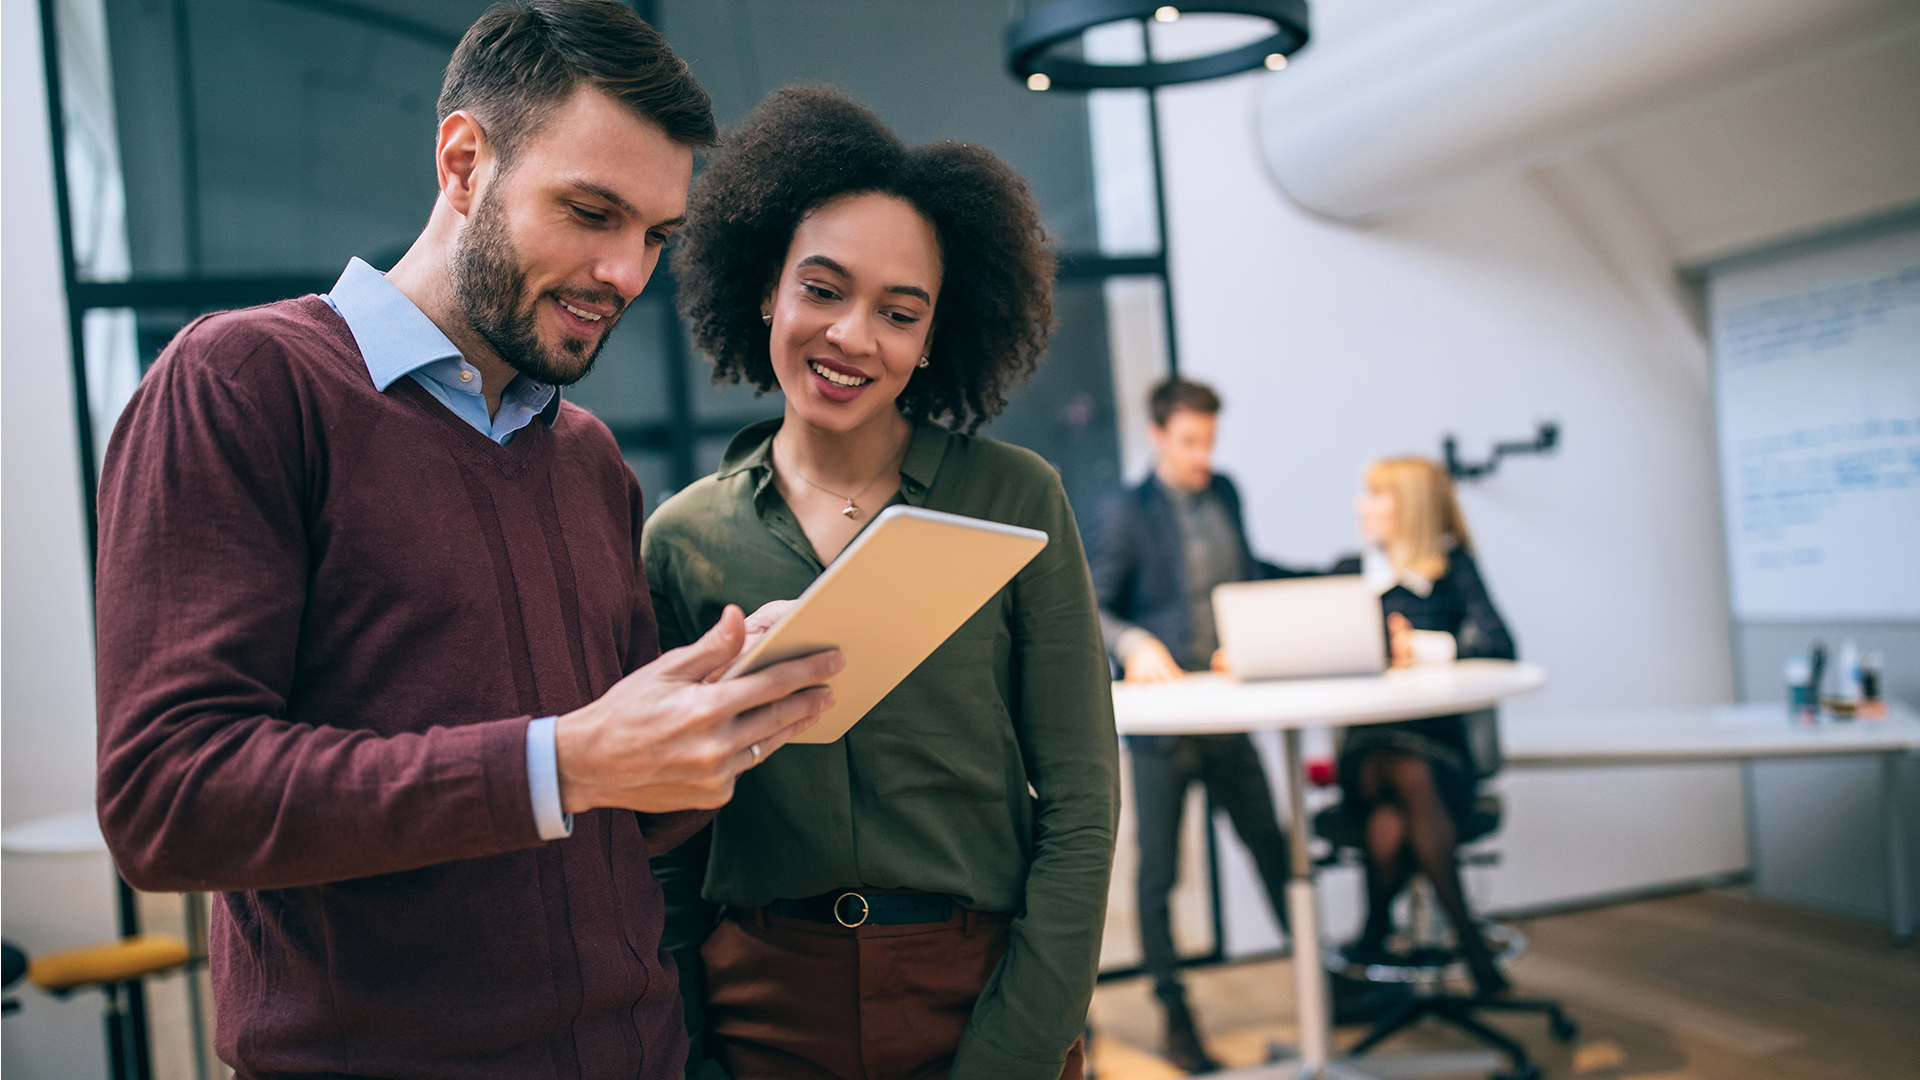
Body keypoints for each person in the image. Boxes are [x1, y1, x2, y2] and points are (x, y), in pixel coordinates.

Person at [92, 5, 843, 1077]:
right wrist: (561, 762)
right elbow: (168, 798)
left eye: (654, 237)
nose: (627, 274)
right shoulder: (244, 385)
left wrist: (714, 722)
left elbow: (609, 814)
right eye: (592, 212)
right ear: (461, 162)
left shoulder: (587, 460)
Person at [646, 87, 1117, 1080]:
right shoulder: (681, 543)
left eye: (899, 313)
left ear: (935, 336)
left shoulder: (1015, 497)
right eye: (822, 290)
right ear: (766, 288)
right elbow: (666, 846)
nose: (854, 337)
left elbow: (1080, 801)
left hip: (984, 995)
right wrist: (693, 1050)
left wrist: (1018, 1046)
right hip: (762, 1010)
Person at [1087, 377, 1296, 1075]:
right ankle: (1175, 1012)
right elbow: (1094, 605)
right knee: (1159, 877)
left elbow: (1248, 572)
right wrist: (1135, 644)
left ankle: (1321, 982)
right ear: (1158, 436)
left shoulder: (1226, 494)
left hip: (1226, 712)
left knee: (1272, 846)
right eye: (1190, 441)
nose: (1204, 455)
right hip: (1164, 726)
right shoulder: (1125, 512)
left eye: (1210, 440)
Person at [1332, 456, 1516, 998]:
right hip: (1367, 754)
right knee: (1403, 773)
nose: (1360, 506)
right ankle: (1470, 942)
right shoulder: (1351, 573)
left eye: (1374, 495)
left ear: (1406, 507)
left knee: (1394, 818)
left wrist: (1428, 647)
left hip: (1443, 755)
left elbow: (1500, 643)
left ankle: (1369, 941)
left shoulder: (1451, 570)